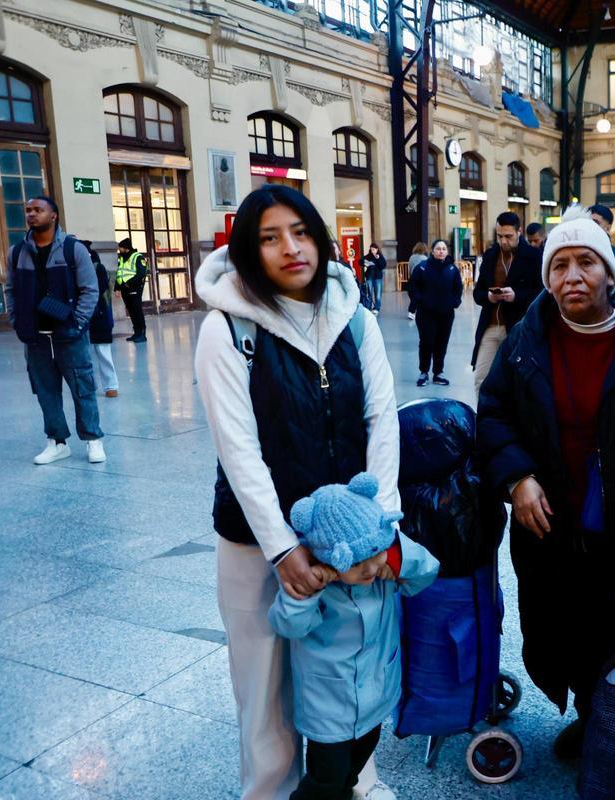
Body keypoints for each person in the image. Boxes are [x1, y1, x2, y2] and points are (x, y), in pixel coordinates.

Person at [193, 185, 401, 800]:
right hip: (256, 543)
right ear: (247, 251)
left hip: (348, 536)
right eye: (269, 237)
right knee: (263, 684)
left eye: (301, 231)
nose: (290, 248)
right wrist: (283, 550)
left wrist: (379, 524)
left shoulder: (355, 317)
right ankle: (271, 792)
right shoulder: (226, 328)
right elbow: (239, 452)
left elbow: (381, 419)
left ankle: (359, 776)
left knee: (353, 663)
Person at [477, 204, 615, 760]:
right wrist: (517, 478)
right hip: (547, 516)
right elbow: (494, 412)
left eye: (585, 263)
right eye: (559, 266)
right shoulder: (529, 336)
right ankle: (585, 712)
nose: (571, 277)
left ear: (609, 273)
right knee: (558, 619)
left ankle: (613, 724)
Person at [269, 475, 439, 800]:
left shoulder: (383, 573)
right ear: (329, 559)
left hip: (376, 697)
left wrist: (397, 559)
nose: (372, 567)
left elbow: (428, 571)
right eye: (358, 562)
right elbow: (290, 626)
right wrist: (304, 593)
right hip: (330, 707)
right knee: (325, 782)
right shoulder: (320, 589)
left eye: (377, 553)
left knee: (351, 770)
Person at [4, 196, 105, 465]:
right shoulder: (17, 253)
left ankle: (93, 440)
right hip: (35, 338)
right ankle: (57, 442)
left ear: (54, 216)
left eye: (38, 210)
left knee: (82, 389)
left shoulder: (74, 250)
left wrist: (77, 323)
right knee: (45, 392)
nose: (31, 214)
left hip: (70, 336)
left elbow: (90, 290)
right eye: (28, 210)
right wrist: (18, 321)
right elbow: (11, 291)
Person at [471, 211, 542, 395]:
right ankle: (484, 420)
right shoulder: (490, 256)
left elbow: (542, 293)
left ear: (519, 232)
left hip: (518, 326)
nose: (503, 241)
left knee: (516, 380)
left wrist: (516, 295)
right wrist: (489, 296)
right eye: (499, 236)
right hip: (490, 325)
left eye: (508, 236)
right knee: (482, 377)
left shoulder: (534, 257)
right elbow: (477, 293)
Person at [408, 238, 462, 387]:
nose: (441, 251)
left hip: (446, 314)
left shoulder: (452, 269)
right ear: (432, 251)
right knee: (426, 343)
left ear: (447, 252)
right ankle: (423, 372)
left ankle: (438, 372)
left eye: (444, 249)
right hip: (426, 314)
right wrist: (419, 300)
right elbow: (412, 286)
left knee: (441, 344)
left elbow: (458, 288)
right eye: (438, 248)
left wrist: (455, 302)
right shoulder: (422, 267)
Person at [83, 240, 119, 398]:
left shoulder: (97, 268)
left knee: (101, 352)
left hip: (98, 316)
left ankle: (110, 386)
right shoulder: (81, 267)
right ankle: (100, 386)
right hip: (88, 317)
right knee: (85, 356)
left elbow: (99, 291)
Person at [114, 237, 147, 343]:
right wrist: (117, 288)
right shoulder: (122, 258)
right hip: (124, 289)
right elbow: (119, 273)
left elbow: (141, 273)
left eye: (121, 248)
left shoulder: (137, 257)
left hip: (134, 288)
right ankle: (136, 333)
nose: (119, 250)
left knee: (137, 311)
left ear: (126, 248)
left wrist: (129, 284)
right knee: (131, 311)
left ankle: (142, 334)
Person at [360, 242, 388, 315]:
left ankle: (376, 308)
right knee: (369, 293)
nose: (372, 251)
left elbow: (383, 266)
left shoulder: (380, 257)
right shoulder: (368, 256)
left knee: (378, 294)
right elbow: (360, 261)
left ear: (377, 249)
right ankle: (368, 307)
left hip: (378, 278)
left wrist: (378, 259)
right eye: (371, 249)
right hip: (369, 277)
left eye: (374, 250)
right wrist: (364, 262)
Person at [406, 242, 428, 321]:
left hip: (412, 278)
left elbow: (410, 268)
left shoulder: (411, 257)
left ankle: (413, 311)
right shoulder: (424, 258)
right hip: (421, 280)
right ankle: (412, 311)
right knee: (420, 296)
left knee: (414, 296)